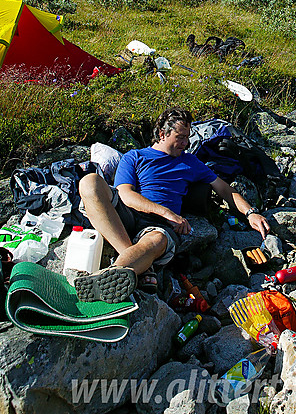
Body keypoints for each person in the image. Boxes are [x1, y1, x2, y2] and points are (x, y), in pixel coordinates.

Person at [75, 107, 270, 303]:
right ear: (162, 134)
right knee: (90, 182)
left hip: (158, 227)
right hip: (129, 213)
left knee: (157, 240)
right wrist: (167, 212)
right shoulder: (134, 157)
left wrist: (250, 212)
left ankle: (113, 275)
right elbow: (125, 194)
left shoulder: (190, 162)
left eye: (187, 137)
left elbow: (225, 189)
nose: (185, 144)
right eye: (180, 137)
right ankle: (141, 267)